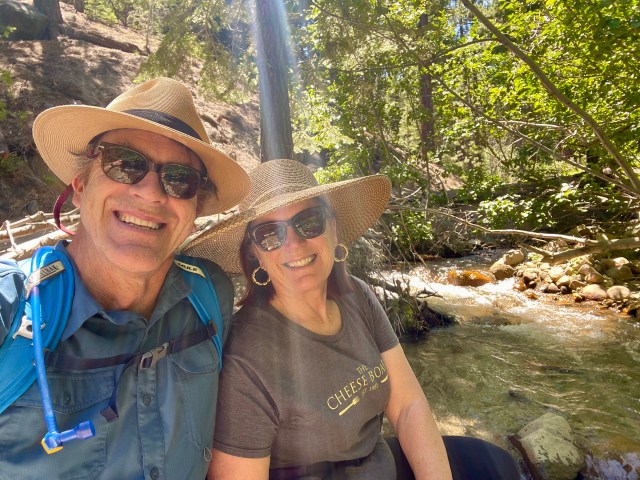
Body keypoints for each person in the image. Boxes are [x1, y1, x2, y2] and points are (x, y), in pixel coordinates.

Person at [0, 77, 251, 479]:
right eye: (124, 163)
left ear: (195, 211)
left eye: (180, 179)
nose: (152, 193)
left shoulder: (209, 296)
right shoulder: (8, 310)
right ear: (79, 187)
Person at [184, 159, 453, 479]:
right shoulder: (246, 360)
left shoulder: (359, 297)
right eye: (270, 234)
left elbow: (408, 407)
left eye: (309, 222)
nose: (293, 244)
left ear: (334, 229)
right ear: (256, 253)